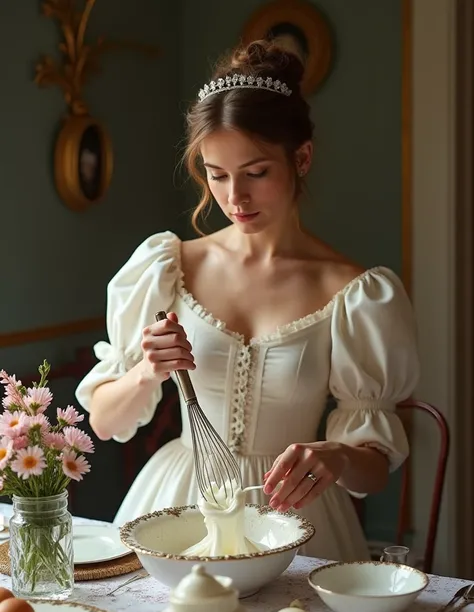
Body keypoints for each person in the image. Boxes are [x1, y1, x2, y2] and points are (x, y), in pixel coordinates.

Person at [75, 41, 419, 561]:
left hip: (294, 517)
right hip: (179, 504)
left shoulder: (357, 292)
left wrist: (340, 455)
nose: (235, 197)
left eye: (256, 172)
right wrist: (147, 371)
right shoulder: (168, 266)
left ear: (301, 158)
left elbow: (373, 470)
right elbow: (104, 422)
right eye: (216, 175)